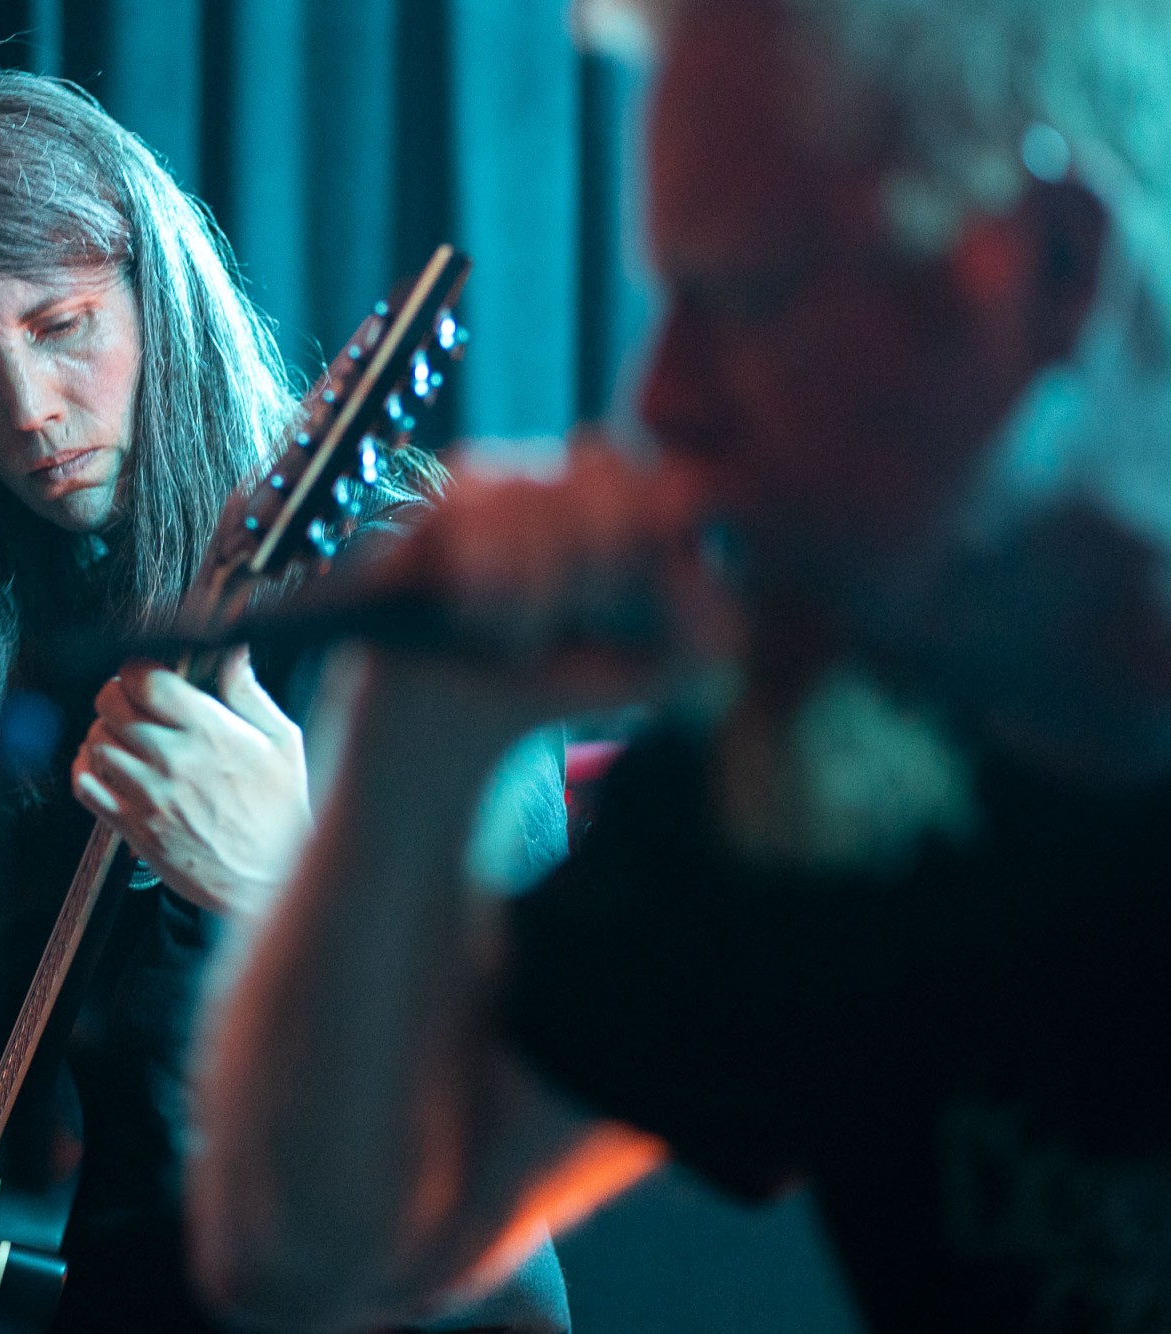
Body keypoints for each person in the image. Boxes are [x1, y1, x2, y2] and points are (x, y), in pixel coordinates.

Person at [190, 1, 1171, 1331]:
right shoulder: (822, 740)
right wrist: (422, 740)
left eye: (745, 295)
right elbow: (312, 1252)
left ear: (1051, 263)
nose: (659, 400)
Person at [0, 73, 570, 1332]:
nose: (28, 410)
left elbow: (549, 1046)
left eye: (62, 324)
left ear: (159, 296)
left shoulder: (414, 602)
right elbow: (22, 1010)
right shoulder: (71, 635)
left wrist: (281, 877)